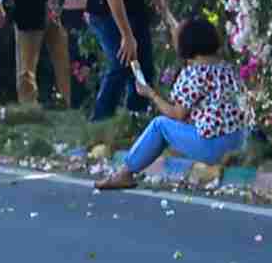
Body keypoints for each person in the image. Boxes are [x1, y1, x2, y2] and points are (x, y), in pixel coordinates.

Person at [89, 15, 250, 191]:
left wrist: (151, 93)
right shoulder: (227, 68)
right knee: (171, 126)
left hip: (213, 146)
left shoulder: (194, 74)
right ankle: (126, 172)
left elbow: (177, 115)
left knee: (160, 125)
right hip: (239, 141)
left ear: (187, 44)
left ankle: (125, 173)